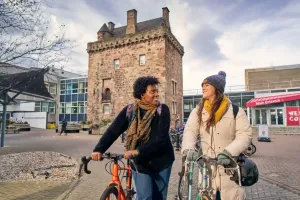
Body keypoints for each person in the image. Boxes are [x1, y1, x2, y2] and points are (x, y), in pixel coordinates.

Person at [91, 76, 174, 200]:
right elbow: (113, 131)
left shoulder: (162, 110)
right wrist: (99, 149)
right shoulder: (130, 110)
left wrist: (138, 151)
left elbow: (160, 139)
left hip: (161, 161)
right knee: (144, 197)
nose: (157, 94)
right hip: (140, 162)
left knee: (159, 197)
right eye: (153, 92)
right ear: (142, 94)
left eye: (157, 91)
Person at [181, 71, 252, 200]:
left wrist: (229, 152)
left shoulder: (235, 111)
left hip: (229, 169)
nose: (203, 87)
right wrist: (188, 149)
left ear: (217, 88)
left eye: (207, 85)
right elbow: (190, 131)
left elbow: (244, 135)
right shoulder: (198, 111)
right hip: (207, 170)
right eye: (202, 85)